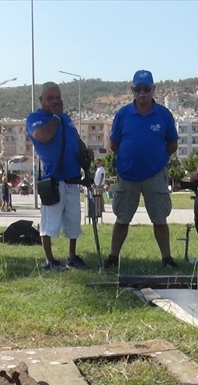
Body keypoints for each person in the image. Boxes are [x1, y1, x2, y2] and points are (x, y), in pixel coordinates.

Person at [104, 70, 180, 269]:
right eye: (138, 88)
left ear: (153, 89)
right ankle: (113, 257)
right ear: (132, 90)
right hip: (127, 176)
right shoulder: (123, 114)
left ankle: (167, 259)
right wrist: (131, 159)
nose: (142, 92)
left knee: (160, 220)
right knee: (122, 220)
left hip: (155, 176)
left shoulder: (164, 115)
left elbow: (172, 144)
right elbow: (114, 144)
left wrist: (155, 159)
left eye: (147, 88)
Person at [27, 82, 91, 271]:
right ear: (41, 100)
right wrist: (55, 116)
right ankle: (50, 260)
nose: (55, 101)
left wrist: (85, 151)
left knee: (73, 221)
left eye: (57, 98)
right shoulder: (35, 119)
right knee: (49, 222)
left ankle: (72, 256)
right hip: (53, 180)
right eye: (50, 98)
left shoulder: (66, 119)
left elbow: (76, 139)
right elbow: (43, 136)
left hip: (72, 178)